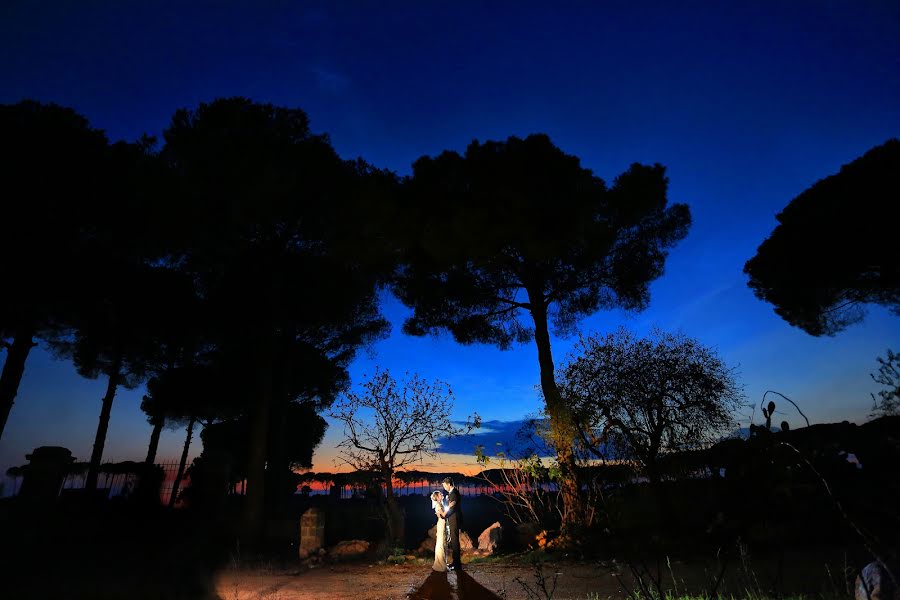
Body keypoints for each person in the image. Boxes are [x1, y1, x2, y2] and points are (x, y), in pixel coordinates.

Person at [440, 477, 463, 571]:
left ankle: (457, 564)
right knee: (454, 541)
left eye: (445, 486)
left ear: (449, 484)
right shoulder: (451, 493)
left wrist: (444, 515)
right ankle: (455, 562)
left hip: (455, 519)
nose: (444, 488)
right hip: (453, 519)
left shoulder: (454, 493)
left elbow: (452, 508)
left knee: (455, 542)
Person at [430, 490, 448, 572]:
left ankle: (442, 563)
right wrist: (450, 507)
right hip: (441, 523)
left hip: (443, 523)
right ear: (437, 497)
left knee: (443, 542)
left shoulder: (440, 504)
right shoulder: (438, 505)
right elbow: (443, 515)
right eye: (440, 494)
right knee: (440, 543)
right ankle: (440, 565)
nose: (442, 494)